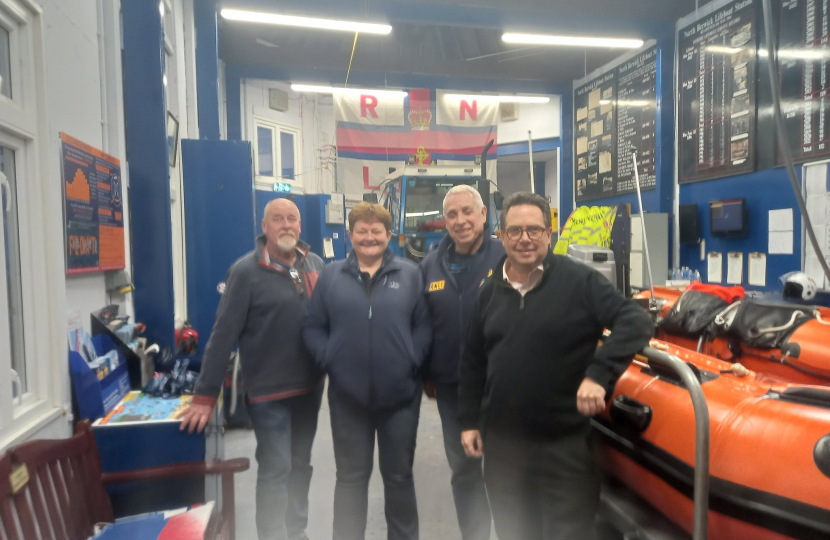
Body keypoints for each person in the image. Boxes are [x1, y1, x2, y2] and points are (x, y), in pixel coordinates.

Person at [457, 192, 652, 540]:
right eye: (514, 231)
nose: (524, 239)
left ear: (550, 233)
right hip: (503, 449)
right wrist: (469, 421)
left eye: (534, 229)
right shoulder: (489, 292)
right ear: (501, 236)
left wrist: (598, 374)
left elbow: (634, 321)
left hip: (563, 447)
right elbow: (473, 361)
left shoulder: (581, 282)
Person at [180, 198, 325, 540]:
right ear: (265, 226)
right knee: (277, 468)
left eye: (292, 219)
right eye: (278, 219)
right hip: (267, 392)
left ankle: (296, 531)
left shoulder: (314, 263)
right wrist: (204, 395)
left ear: (300, 226)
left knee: (301, 465)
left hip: (310, 388)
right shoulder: (245, 272)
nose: (286, 225)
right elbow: (222, 335)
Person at [303, 202, 432, 540]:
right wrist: (329, 357)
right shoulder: (331, 276)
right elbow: (313, 326)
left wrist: (411, 359)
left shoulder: (410, 274)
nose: (369, 237)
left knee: (400, 478)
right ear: (350, 235)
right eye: (362, 230)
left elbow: (424, 327)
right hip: (347, 399)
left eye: (377, 231)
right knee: (349, 479)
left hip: (401, 397)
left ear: (389, 235)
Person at [419, 185, 503, 540]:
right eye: (452, 214)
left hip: (502, 385)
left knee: (504, 471)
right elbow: (420, 322)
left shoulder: (506, 255)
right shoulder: (429, 265)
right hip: (453, 389)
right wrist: (426, 372)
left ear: (483, 214)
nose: (461, 220)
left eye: (468, 211)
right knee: (465, 470)